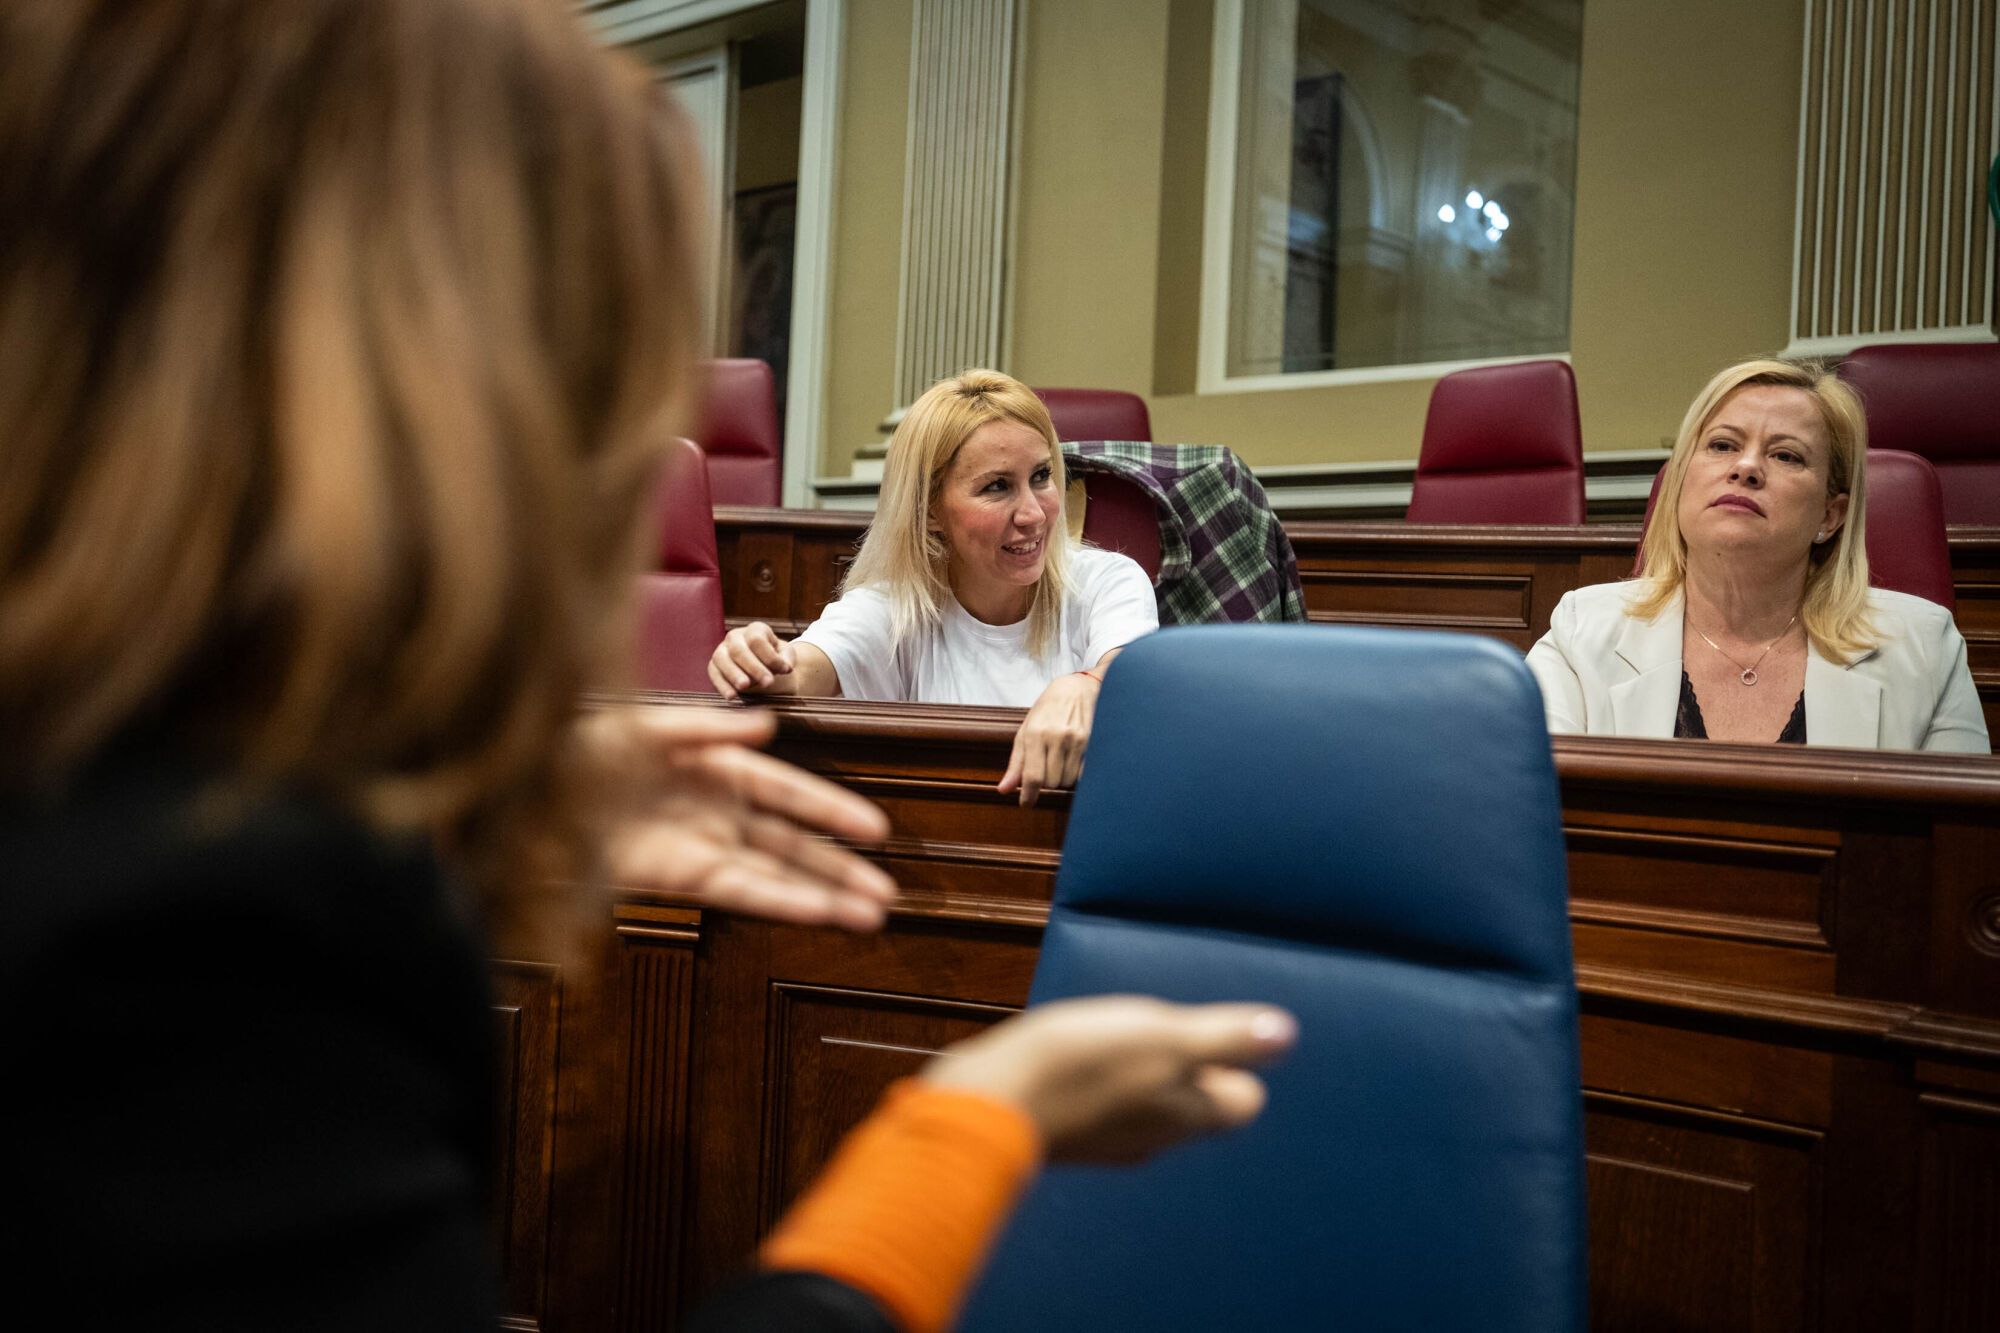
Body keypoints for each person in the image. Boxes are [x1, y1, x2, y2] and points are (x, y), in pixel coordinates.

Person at [0, 4, 1291, 1330]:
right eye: (560, 390)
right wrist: (970, 1130)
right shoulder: (172, 937)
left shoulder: (126, 809)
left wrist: (482, 805)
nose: (615, 487)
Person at [708, 370, 1160, 805]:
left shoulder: (1108, 580)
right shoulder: (893, 605)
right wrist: (757, 660)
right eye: (998, 486)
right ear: (928, 511)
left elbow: (1129, 674)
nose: (1034, 514)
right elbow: (803, 668)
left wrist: (1086, 685)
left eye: (1041, 477)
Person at [1526, 358, 1988, 751]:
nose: (1745, 467)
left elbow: (1958, 847)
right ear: (1681, 483)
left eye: (1786, 456)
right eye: (1722, 445)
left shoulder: (1926, 649)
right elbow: (1532, 813)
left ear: (1831, 515)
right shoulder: (1580, 631)